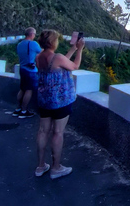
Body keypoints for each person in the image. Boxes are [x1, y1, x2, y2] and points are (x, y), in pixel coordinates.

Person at [34, 30, 84, 179]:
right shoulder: (57, 57)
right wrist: (80, 49)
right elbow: (74, 66)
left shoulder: (39, 57)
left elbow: (58, 65)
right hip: (60, 100)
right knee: (58, 133)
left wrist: (72, 49)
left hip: (44, 100)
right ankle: (56, 168)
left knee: (43, 131)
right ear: (53, 42)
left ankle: (41, 166)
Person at [13, 27, 41, 118]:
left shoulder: (20, 44)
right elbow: (41, 52)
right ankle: (24, 111)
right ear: (32, 34)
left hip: (22, 68)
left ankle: (18, 109)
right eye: (34, 34)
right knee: (29, 90)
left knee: (22, 89)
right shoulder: (33, 44)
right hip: (31, 70)